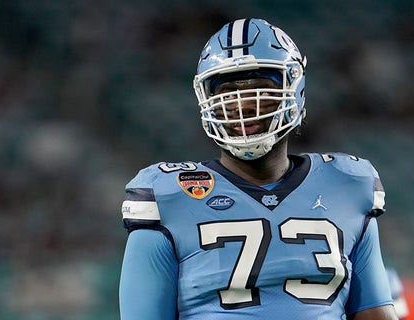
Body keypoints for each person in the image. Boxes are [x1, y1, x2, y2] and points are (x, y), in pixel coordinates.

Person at [119, 18, 398, 320]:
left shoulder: (347, 186)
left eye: (260, 92)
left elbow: (375, 313)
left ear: (294, 91)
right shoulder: (169, 196)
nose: (244, 107)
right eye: (228, 94)